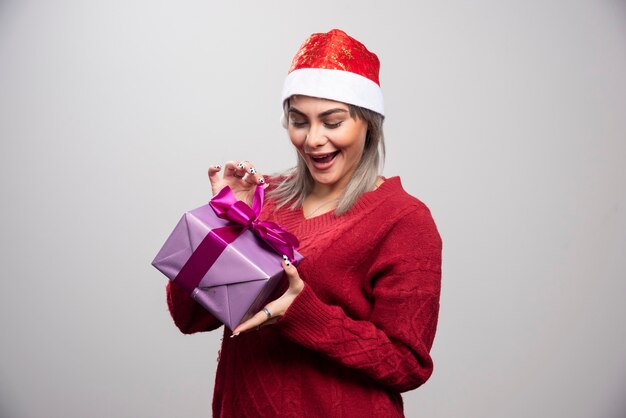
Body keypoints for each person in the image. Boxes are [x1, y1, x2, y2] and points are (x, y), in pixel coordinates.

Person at [166, 29, 442, 417]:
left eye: (332, 122)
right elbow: (189, 317)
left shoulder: (403, 219)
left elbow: (407, 364)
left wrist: (303, 313)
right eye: (300, 121)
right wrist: (222, 222)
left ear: (368, 124)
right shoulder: (262, 199)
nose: (313, 139)